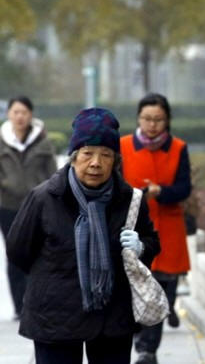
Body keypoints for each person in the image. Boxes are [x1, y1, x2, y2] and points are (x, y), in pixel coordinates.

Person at [6, 107, 160, 364]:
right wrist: (51, 279)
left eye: (105, 155)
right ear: (74, 157)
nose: (96, 163)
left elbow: (152, 242)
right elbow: (18, 250)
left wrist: (140, 247)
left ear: (115, 161)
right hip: (55, 317)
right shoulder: (44, 198)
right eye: (87, 153)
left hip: (112, 317)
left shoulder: (130, 200)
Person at [120, 93, 191, 364]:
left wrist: (161, 192)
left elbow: (184, 188)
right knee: (136, 288)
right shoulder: (123, 146)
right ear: (138, 119)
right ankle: (143, 345)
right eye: (147, 119)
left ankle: (148, 349)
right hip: (132, 228)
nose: (152, 125)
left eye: (158, 119)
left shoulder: (178, 148)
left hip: (168, 229)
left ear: (167, 120)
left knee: (163, 290)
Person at [0, 96, 57, 320]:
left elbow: (52, 173)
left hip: (37, 207)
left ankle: (36, 302)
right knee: (14, 253)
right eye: (15, 112)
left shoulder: (43, 141)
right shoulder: (2, 140)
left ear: (31, 114)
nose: (20, 116)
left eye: (24, 112)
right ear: (9, 114)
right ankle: (19, 307)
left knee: (37, 254)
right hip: (7, 206)